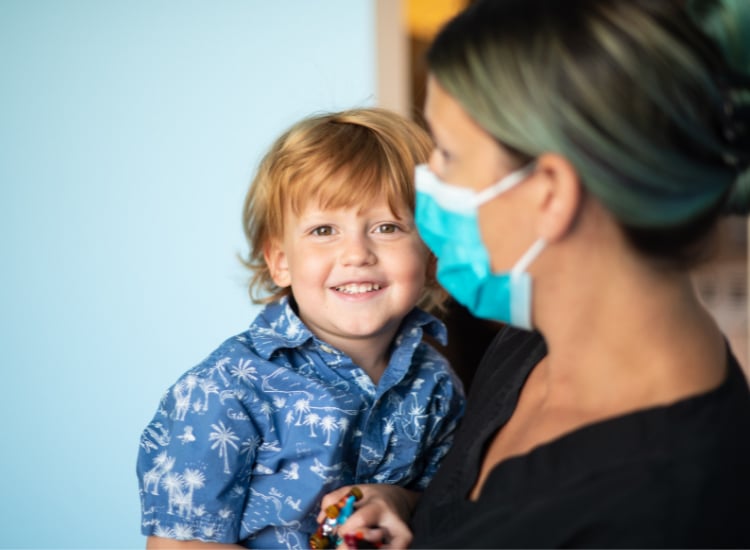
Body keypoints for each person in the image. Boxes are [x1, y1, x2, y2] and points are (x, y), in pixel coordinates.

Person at [318, 0, 750, 547]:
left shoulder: (657, 511)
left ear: (550, 193)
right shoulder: (537, 336)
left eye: (448, 155)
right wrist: (409, 507)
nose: (424, 184)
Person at [136, 107, 465, 549]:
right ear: (280, 261)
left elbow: (452, 502)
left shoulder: (437, 383)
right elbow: (180, 545)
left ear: (430, 257)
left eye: (387, 226)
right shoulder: (223, 391)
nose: (356, 253)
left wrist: (398, 500)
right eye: (324, 229)